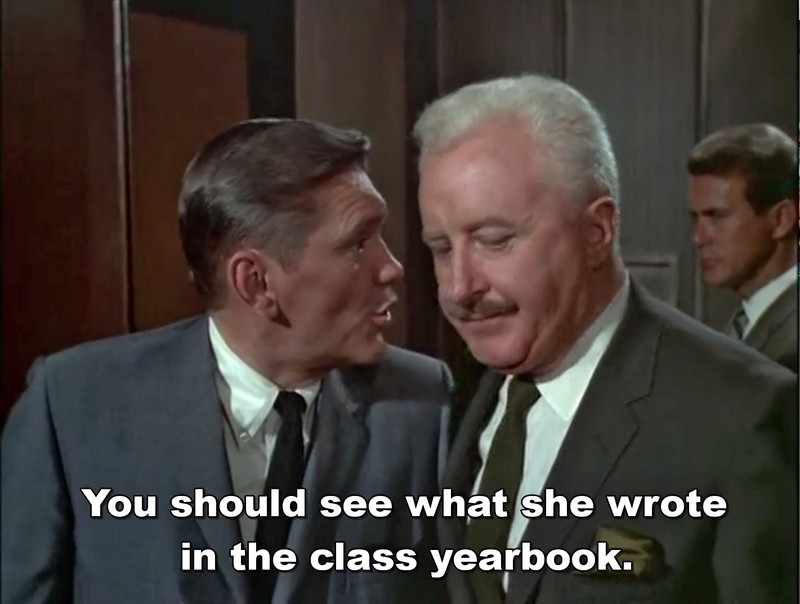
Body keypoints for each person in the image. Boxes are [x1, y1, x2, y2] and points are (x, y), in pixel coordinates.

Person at [2, 118, 451, 604]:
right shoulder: (74, 405)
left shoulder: (425, 405)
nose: (392, 268)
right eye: (358, 244)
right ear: (256, 283)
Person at [413, 75, 797, 603]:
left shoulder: (744, 413)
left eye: (494, 241)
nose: (459, 287)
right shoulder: (450, 398)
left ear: (597, 231)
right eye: (440, 248)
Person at [688, 123, 798, 372]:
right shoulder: (746, 321)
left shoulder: (792, 347)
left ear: (782, 220)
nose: (699, 237)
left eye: (717, 216)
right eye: (695, 218)